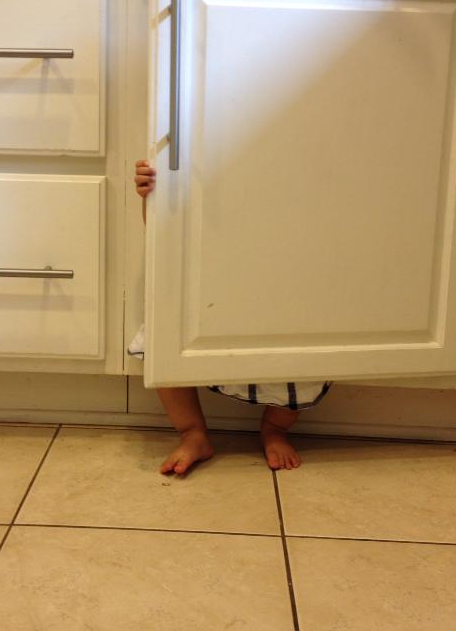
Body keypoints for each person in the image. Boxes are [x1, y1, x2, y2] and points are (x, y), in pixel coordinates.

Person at [132, 159, 331, 476]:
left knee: (301, 361)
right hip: (211, 283)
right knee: (165, 341)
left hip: (284, 287)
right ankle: (192, 433)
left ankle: (274, 429)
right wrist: (152, 196)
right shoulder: (199, 162)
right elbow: (163, 235)